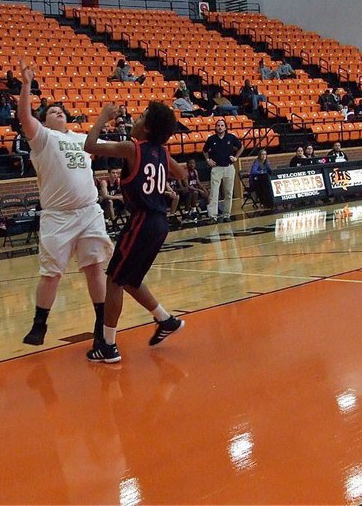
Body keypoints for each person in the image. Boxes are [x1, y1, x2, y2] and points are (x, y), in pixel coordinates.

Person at [17, 61, 113, 346]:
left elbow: (104, 146)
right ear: (43, 121)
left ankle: (101, 320)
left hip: (88, 213)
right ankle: (39, 323)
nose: (57, 111)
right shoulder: (43, 138)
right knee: (51, 274)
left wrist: (105, 119)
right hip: (57, 217)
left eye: (60, 110)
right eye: (50, 111)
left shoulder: (82, 138)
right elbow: (24, 116)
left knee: (95, 268)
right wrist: (26, 86)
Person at [83, 102, 187, 363]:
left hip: (142, 221)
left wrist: (104, 117)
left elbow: (90, 146)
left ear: (147, 128)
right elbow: (182, 173)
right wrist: (159, 184)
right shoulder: (161, 153)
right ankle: (166, 320)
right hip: (159, 223)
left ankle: (108, 345)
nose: (136, 120)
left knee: (114, 280)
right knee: (129, 279)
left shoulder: (132, 149)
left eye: (141, 117)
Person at [203, 119, 242, 222]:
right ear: (216, 127)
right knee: (214, 193)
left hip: (229, 167)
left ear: (225, 127)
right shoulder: (211, 139)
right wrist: (208, 160)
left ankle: (226, 215)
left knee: (228, 192)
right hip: (216, 168)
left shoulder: (231, 137)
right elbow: (204, 150)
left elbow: (241, 147)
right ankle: (213, 216)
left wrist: (236, 157)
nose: (220, 127)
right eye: (218, 125)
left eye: (222, 125)